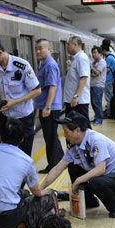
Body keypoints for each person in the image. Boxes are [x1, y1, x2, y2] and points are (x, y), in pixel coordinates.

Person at [41, 111, 115, 218]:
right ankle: (89, 200)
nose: (64, 135)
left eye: (66, 132)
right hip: (105, 177)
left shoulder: (96, 140)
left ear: (78, 130)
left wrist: (78, 180)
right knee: (73, 166)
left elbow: (100, 169)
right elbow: (57, 168)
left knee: (95, 181)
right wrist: (40, 189)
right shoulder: (74, 146)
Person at [0, 36, 41, 157]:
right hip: (5, 118)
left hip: (24, 118)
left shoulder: (22, 65)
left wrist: (14, 102)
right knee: (4, 154)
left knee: (23, 155)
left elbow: (37, 91)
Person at [34, 39, 64, 174]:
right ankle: (60, 160)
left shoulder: (50, 65)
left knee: (50, 137)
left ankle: (53, 165)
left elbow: (52, 86)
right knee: (51, 136)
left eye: (41, 48)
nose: (38, 51)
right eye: (36, 48)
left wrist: (47, 107)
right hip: (47, 106)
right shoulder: (44, 64)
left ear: (48, 49)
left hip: (50, 107)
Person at [63, 36, 91, 125]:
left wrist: (76, 96)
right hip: (72, 100)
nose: (66, 46)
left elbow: (84, 78)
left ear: (75, 45)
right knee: (72, 126)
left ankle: (87, 139)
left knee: (83, 127)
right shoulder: (75, 58)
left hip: (78, 102)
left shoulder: (81, 58)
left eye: (68, 44)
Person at [90, 46, 107, 125]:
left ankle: (99, 119)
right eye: (92, 53)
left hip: (98, 85)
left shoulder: (102, 62)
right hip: (92, 84)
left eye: (95, 53)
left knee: (97, 102)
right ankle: (97, 117)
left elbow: (96, 73)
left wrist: (91, 67)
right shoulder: (94, 62)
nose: (93, 55)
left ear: (100, 53)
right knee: (93, 103)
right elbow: (92, 74)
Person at [102, 44, 115, 119]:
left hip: (108, 79)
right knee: (110, 96)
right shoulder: (112, 56)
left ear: (104, 50)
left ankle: (109, 113)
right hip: (111, 79)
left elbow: (107, 69)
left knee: (108, 98)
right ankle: (110, 112)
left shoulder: (109, 58)